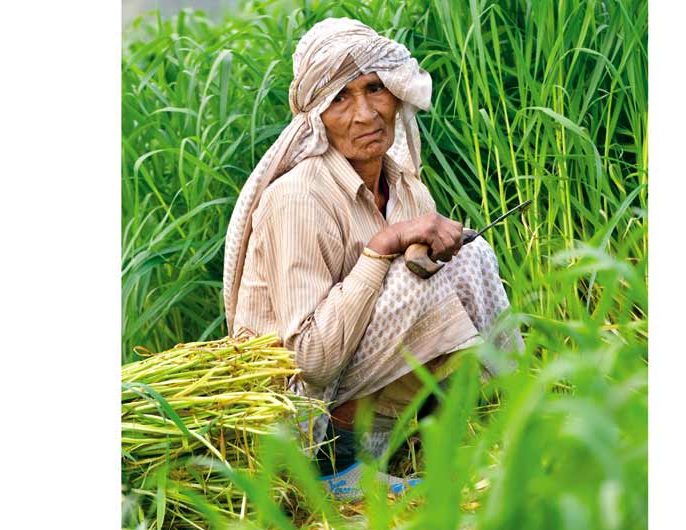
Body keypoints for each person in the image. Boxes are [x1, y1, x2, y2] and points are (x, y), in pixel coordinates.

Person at [223, 17, 521, 502]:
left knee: (470, 257)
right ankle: (333, 469)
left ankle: (512, 422)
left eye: (375, 89)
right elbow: (309, 361)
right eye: (340, 98)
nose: (365, 114)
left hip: (372, 414)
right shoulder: (299, 198)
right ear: (317, 115)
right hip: (299, 426)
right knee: (423, 278)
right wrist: (384, 246)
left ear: (397, 94)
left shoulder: (406, 188)